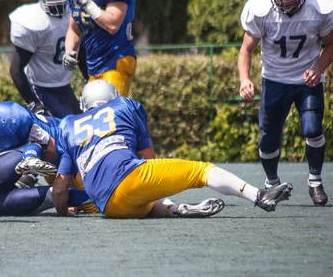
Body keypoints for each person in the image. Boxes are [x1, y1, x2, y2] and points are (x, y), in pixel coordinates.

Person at [51, 80, 294, 218]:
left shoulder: (68, 125)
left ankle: (175, 209)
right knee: (201, 170)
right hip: (131, 181)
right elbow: (148, 159)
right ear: (113, 97)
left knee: (141, 200)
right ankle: (258, 195)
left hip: (109, 207)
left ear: (85, 104)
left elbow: (60, 187)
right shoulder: (125, 105)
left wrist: (63, 212)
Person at [238, 0, 333, 206]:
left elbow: (331, 44)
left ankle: (315, 181)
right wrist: (244, 79)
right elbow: (246, 49)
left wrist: (319, 69)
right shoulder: (262, 10)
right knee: (268, 137)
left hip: (306, 79)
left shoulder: (318, 9)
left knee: (312, 128)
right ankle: (271, 184)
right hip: (275, 79)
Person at [62, 0, 137, 97]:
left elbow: (112, 25)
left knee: (109, 110)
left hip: (117, 59)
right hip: (93, 65)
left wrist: (85, 1)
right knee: (94, 114)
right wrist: (69, 51)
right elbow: (74, 29)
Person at [9, 0, 88, 118]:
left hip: (64, 86)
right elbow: (15, 69)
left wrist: (90, 79)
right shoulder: (34, 22)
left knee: (80, 124)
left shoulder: (73, 13)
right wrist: (33, 103)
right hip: (41, 88)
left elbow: (81, 51)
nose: (58, 1)